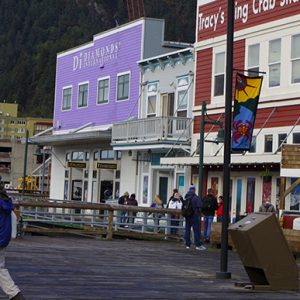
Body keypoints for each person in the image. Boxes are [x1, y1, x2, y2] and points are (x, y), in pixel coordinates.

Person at [0, 179, 25, 300]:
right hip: (3, 238)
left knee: (0, 270)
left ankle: (15, 294)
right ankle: (15, 295)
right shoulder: (4, 198)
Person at [183, 185, 206, 250]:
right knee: (196, 230)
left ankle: (187, 245)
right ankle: (198, 245)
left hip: (187, 216)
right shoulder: (196, 197)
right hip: (195, 216)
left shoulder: (186, 197)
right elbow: (200, 206)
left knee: (187, 230)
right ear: (194, 190)